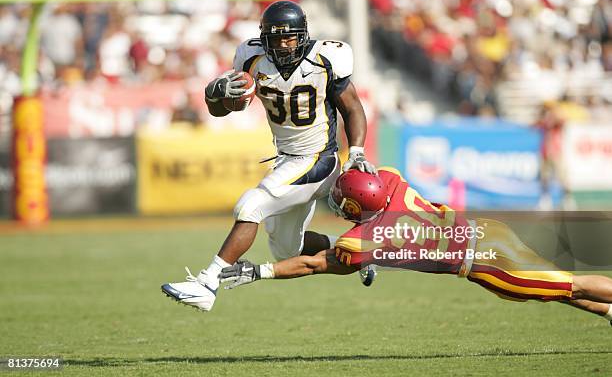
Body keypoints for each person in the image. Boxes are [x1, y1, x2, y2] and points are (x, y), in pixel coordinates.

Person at [161, 1, 377, 311]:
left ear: (302, 36)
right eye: (276, 39)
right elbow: (221, 109)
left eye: (289, 38)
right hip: (286, 158)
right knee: (288, 250)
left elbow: (352, 107)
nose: (283, 45)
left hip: (319, 158)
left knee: (251, 205)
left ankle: (207, 283)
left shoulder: (326, 57)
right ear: (264, 38)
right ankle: (358, 250)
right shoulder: (252, 58)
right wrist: (215, 94)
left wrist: (355, 150)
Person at [219, 167, 612, 327]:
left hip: (488, 261)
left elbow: (314, 265)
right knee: (556, 287)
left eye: (344, 201)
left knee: (568, 284)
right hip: (488, 232)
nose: (339, 204)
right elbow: (375, 177)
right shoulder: (391, 182)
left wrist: (261, 270)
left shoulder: (362, 239)